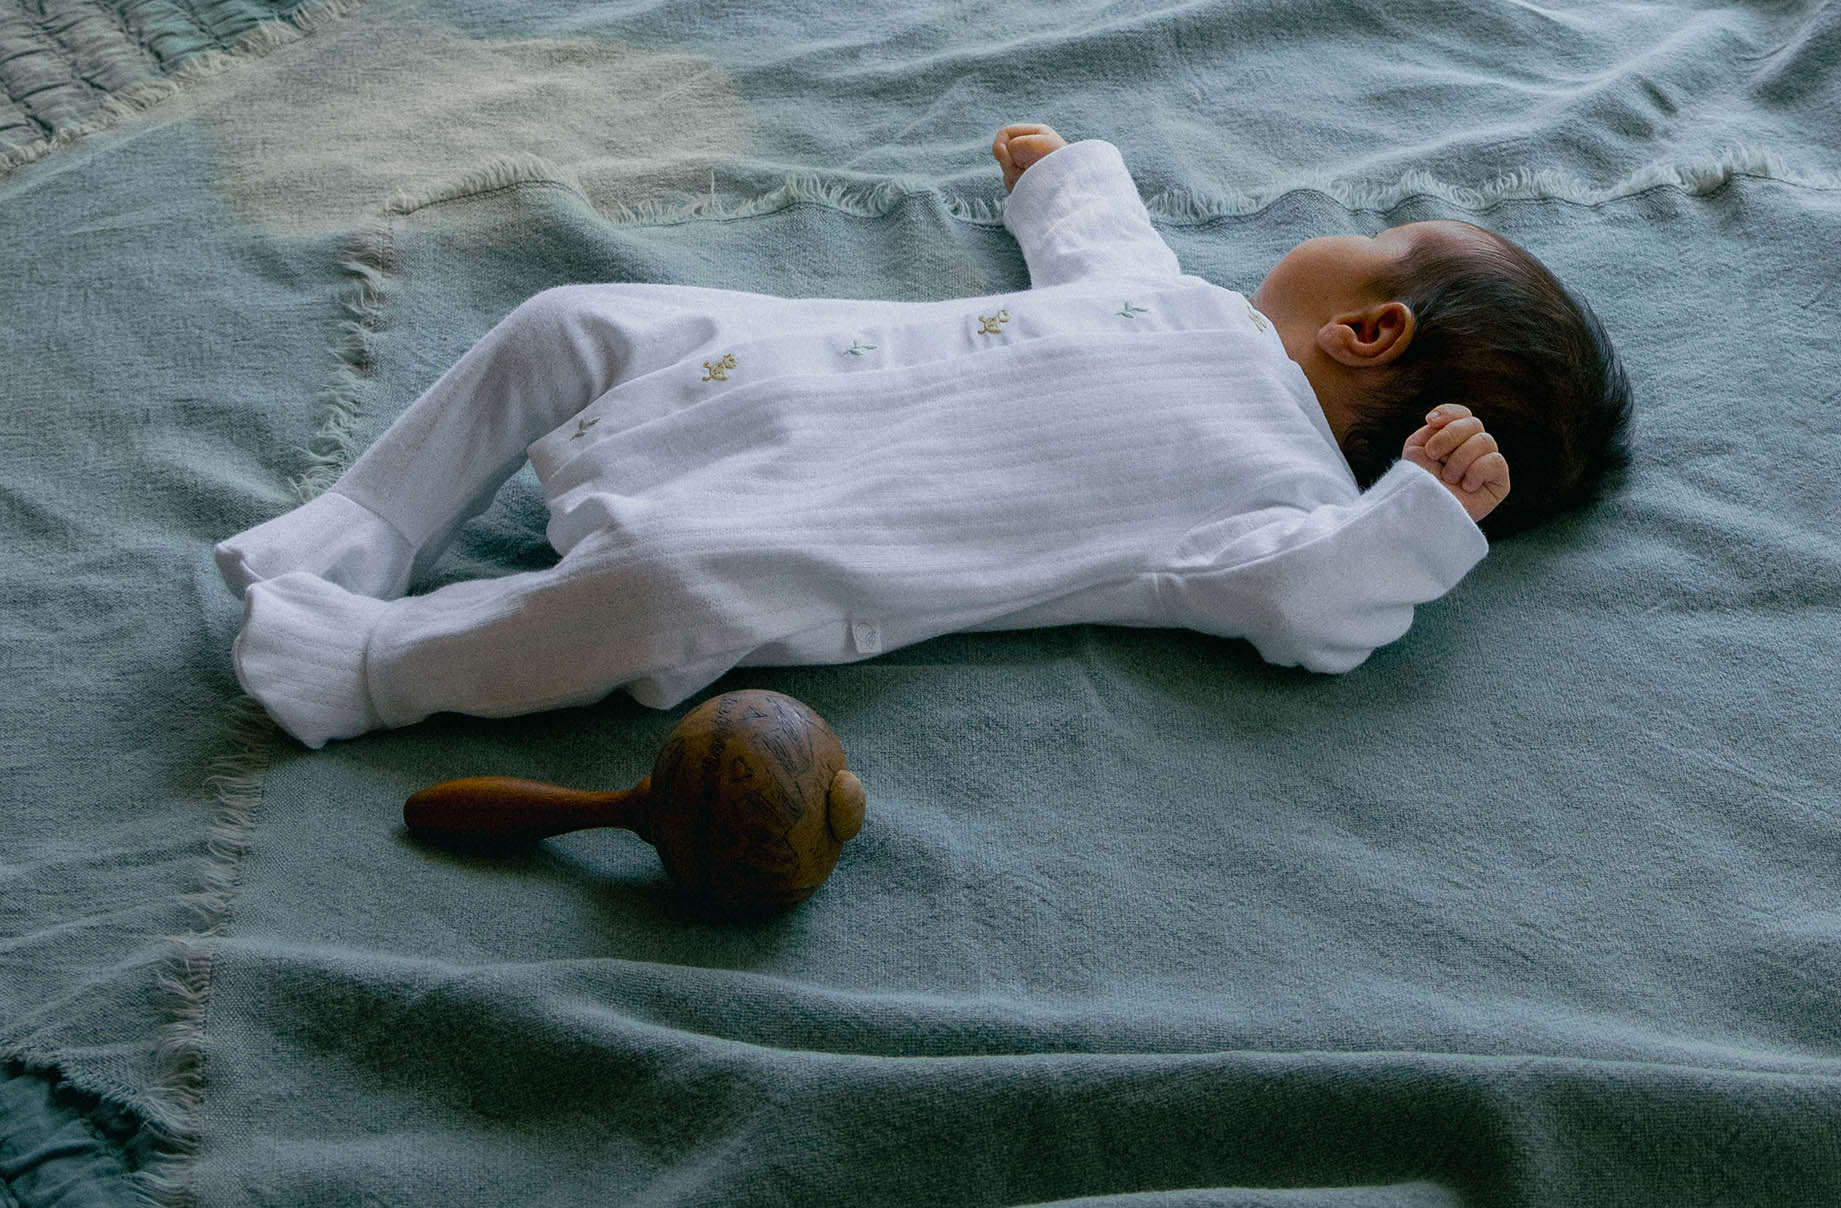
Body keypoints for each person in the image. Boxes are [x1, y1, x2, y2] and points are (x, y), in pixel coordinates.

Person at [222, 126, 1631, 749]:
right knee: (565, 321)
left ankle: (381, 666)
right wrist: (1063, 180)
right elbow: (1107, 260)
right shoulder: (1195, 309)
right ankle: (366, 524)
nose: (1341, 232)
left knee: (658, 592)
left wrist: (1416, 525)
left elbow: (1315, 608)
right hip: (769, 368)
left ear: (1370, 330)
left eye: (1378, 236)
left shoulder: (1281, 504)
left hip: (814, 529)